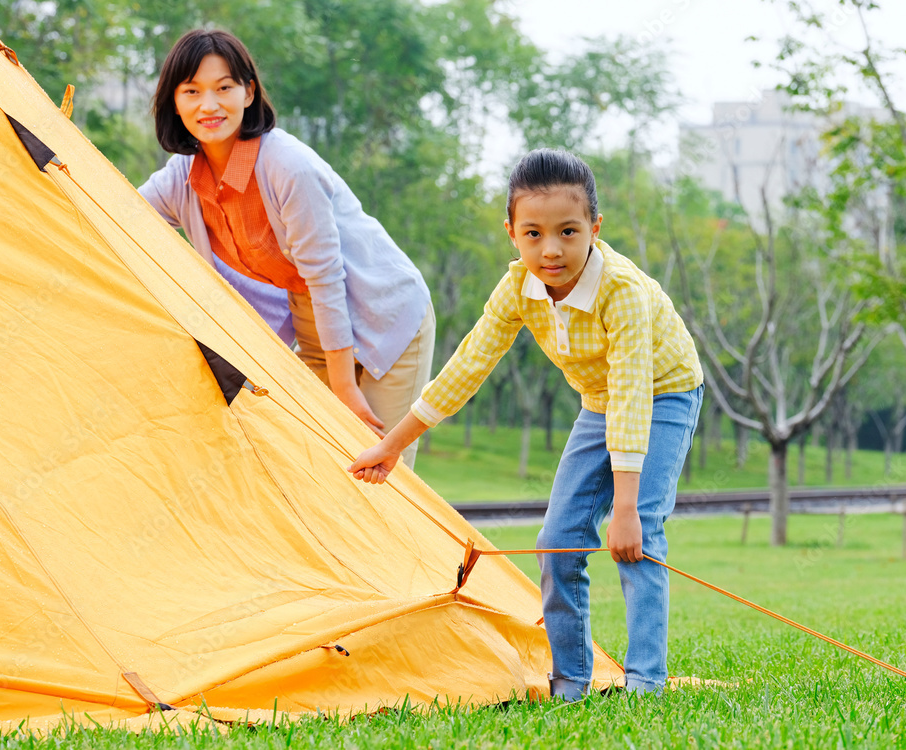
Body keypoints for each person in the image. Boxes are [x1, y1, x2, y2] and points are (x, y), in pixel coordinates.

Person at [348, 149, 704, 698]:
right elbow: (466, 368)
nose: (552, 249)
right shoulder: (518, 287)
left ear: (594, 228)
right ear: (511, 232)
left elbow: (634, 394)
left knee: (641, 536)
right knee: (556, 540)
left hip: (665, 393)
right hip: (598, 400)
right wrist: (392, 446)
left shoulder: (623, 293)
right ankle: (570, 680)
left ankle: (645, 683)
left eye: (568, 231)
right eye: (533, 233)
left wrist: (626, 510)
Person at [139, 29, 434, 468]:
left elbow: (325, 277)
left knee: (380, 473)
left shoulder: (287, 166)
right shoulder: (181, 176)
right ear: (174, 101)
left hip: (384, 318)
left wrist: (345, 389)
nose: (209, 105)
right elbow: (120, 218)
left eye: (224, 88)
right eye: (192, 91)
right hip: (316, 325)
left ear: (248, 92)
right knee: (315, 465)